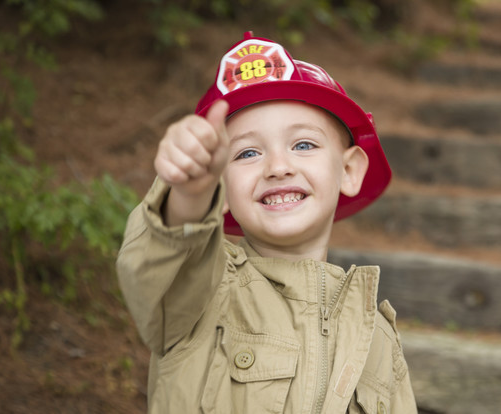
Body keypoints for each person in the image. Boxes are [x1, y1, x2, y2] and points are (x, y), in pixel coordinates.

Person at [116, 31, 417, 413]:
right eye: (247, 153)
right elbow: (157, 263)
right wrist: (189, 195)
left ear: (349, 170)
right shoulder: (202, 290)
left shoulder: (377, 337)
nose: (277, 167)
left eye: (303, 145)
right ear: (219, 188)